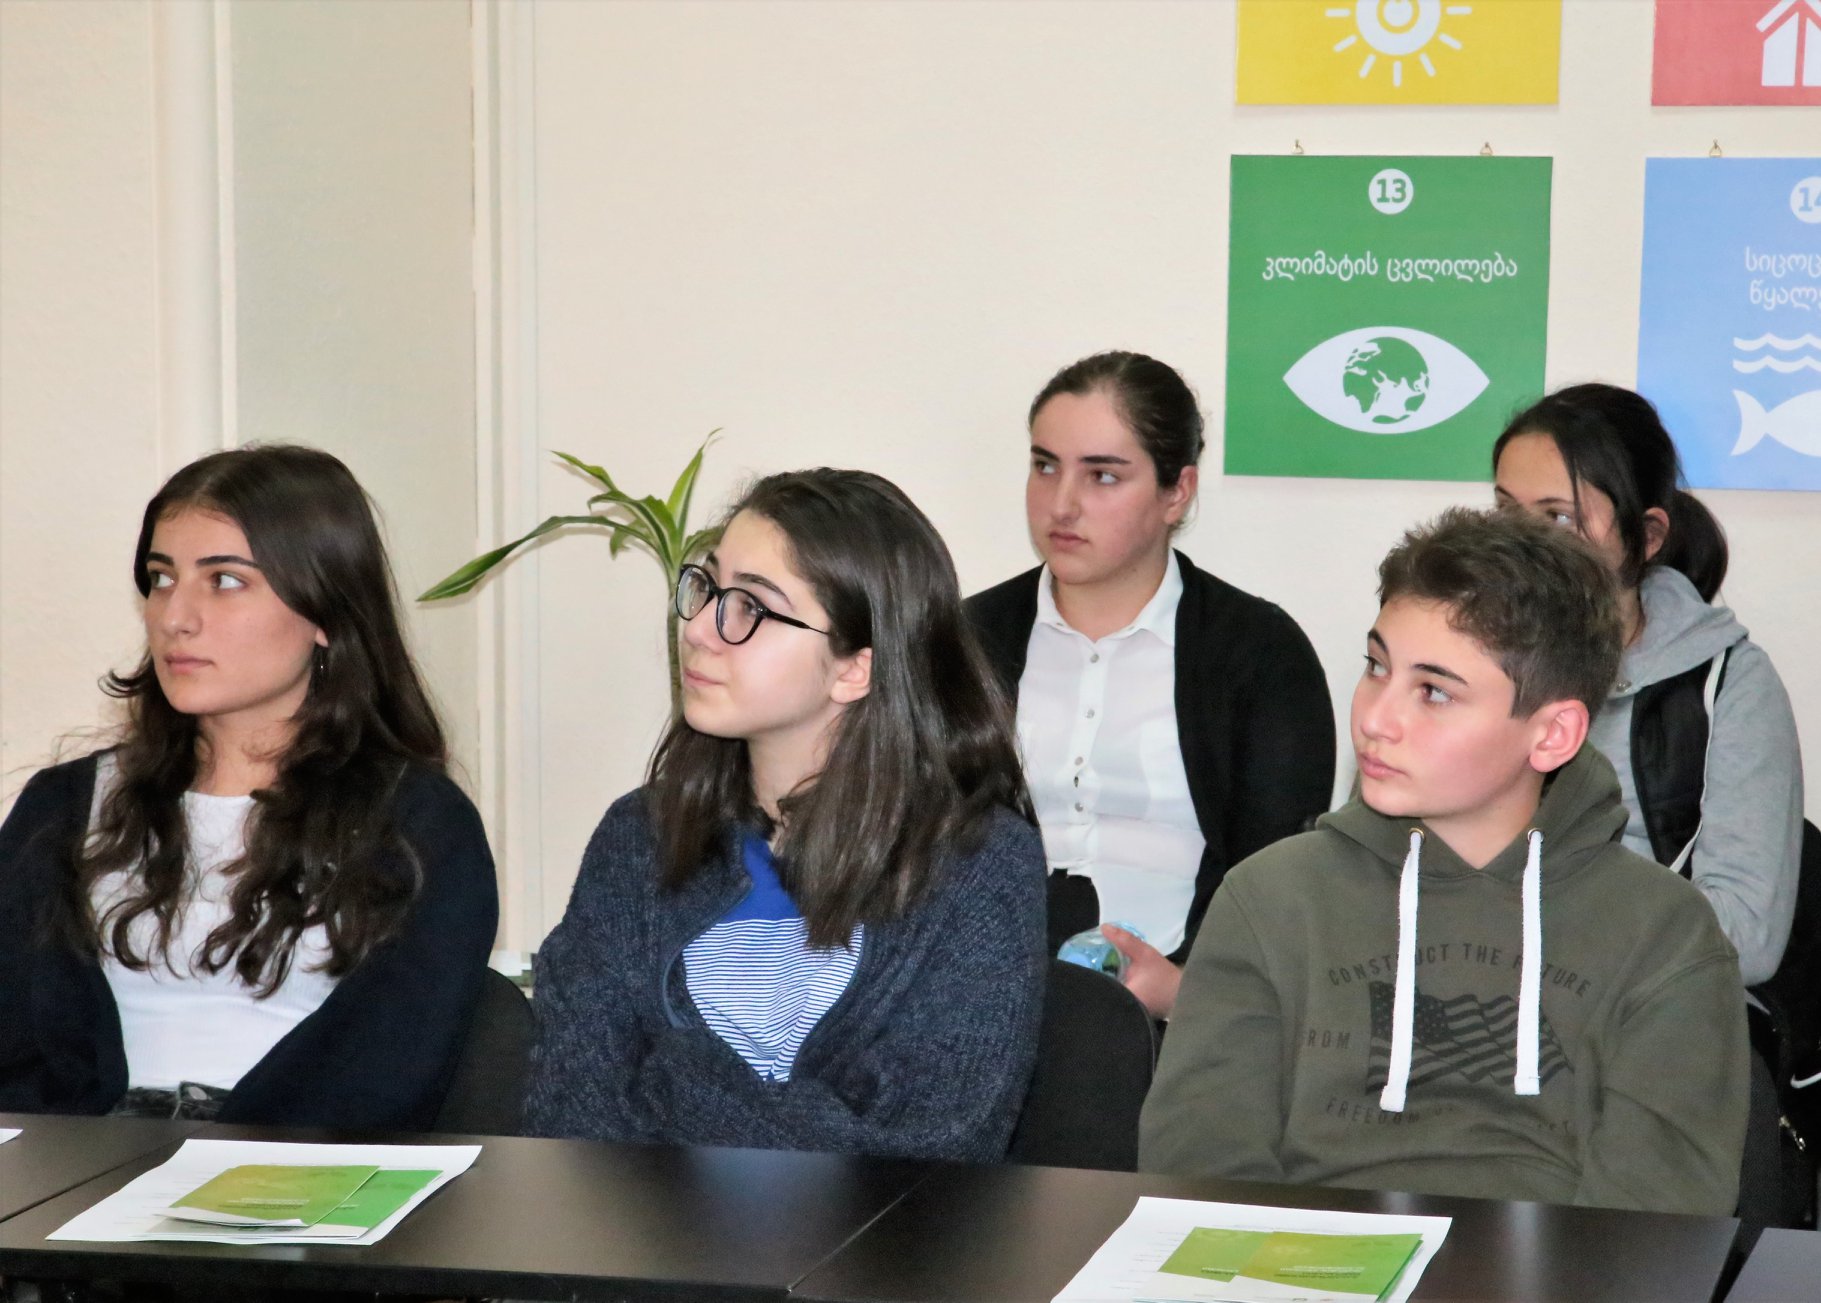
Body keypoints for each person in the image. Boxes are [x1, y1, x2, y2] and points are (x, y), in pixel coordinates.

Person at [1140, 508, 1749, 1216]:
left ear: (1552, 734)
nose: (1374, 718)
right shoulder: (1268, 900)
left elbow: (1653, 1218)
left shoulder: (1664, 934)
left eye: (1433, 691)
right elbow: (1202, 1173)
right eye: (1376, 667)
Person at [523, 468, 1047, 1163]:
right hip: (637, 1230)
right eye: (707, 587)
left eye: (752, 608)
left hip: (875, 1239)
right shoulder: (639, 837)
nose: (700, 629)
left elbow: (928, 1159)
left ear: (854, 669)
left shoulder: (977, 862)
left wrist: (671, 1074)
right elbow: (565, 1115)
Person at [0, 445, 498, 1128]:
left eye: (225, 580)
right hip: (77, 1166)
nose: (175, 616)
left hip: (293, 1171)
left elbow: (387, 1074)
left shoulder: (419, 825)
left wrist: (214, 1159)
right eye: (160, 578)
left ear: (325, 610)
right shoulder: (64, 805)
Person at [967, 350, 1334, 1019]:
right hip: (986, 1001)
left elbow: (1281, 873)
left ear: (1177, 491)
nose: (1062, 503)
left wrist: (1189, 991)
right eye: (1045, 466)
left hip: (1187, 1013)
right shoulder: (968, 639)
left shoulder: (1259, 652)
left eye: (1103, 475)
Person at [1491, 383, 1802, 990]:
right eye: (1506, 512)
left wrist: (1526, 919)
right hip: (1474, 979)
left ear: (1648, 537)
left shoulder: (1728, 684)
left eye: (1558, 518)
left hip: (1649, 1001)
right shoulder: (1451, 662)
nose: (1517, 547)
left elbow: (1748, 935)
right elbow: (1385, 864)